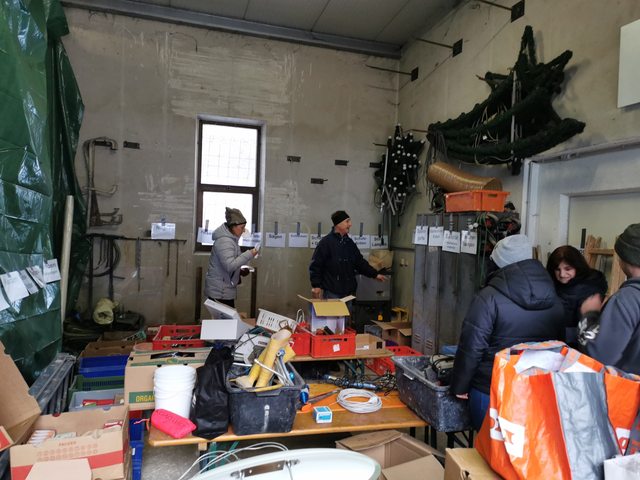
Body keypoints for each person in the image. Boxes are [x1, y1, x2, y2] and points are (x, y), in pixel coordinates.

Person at [450, 234, 564, 430]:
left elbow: (472, 345)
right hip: (536, 389)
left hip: (491, 388)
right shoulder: (553, 296)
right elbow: (559, 345)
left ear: (499, 263)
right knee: (525, 444)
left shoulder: (488, 297)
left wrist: (459, 385)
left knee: (489, 445)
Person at [579, 223, 640, 374]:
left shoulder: (627, 299)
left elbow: (597, 357)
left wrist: (589, 316)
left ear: (624, 258)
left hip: (627, 386)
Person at [309, 210, 385, 300]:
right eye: (347, 221)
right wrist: (316, 285)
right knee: (333, 310)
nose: (350, 224)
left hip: (349, 293)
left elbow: (360, 262)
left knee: (348, 310)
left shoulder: (350, 243)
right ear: (338, 224)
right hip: (332, 292)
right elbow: (316, 266)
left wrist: (374, 274)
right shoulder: (326, 243)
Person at [546, 245, 608, 346]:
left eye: (568, 269)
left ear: (578, 267)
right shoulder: (552, 285)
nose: (562, 274)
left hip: (579, 347)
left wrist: (559, 334)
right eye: (557, 269)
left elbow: (592, 330)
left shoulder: (590, 290)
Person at [204, 207, 258, 307]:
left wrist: (239, 271)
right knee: (226, 317)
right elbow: (229, 266)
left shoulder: (231, 240)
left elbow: (230, 264)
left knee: (229, 317)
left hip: (223, 290)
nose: (243, 231)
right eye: (242, 227)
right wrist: (249, 254)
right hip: (220, 292)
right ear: (233, 226)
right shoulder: (225, 241)